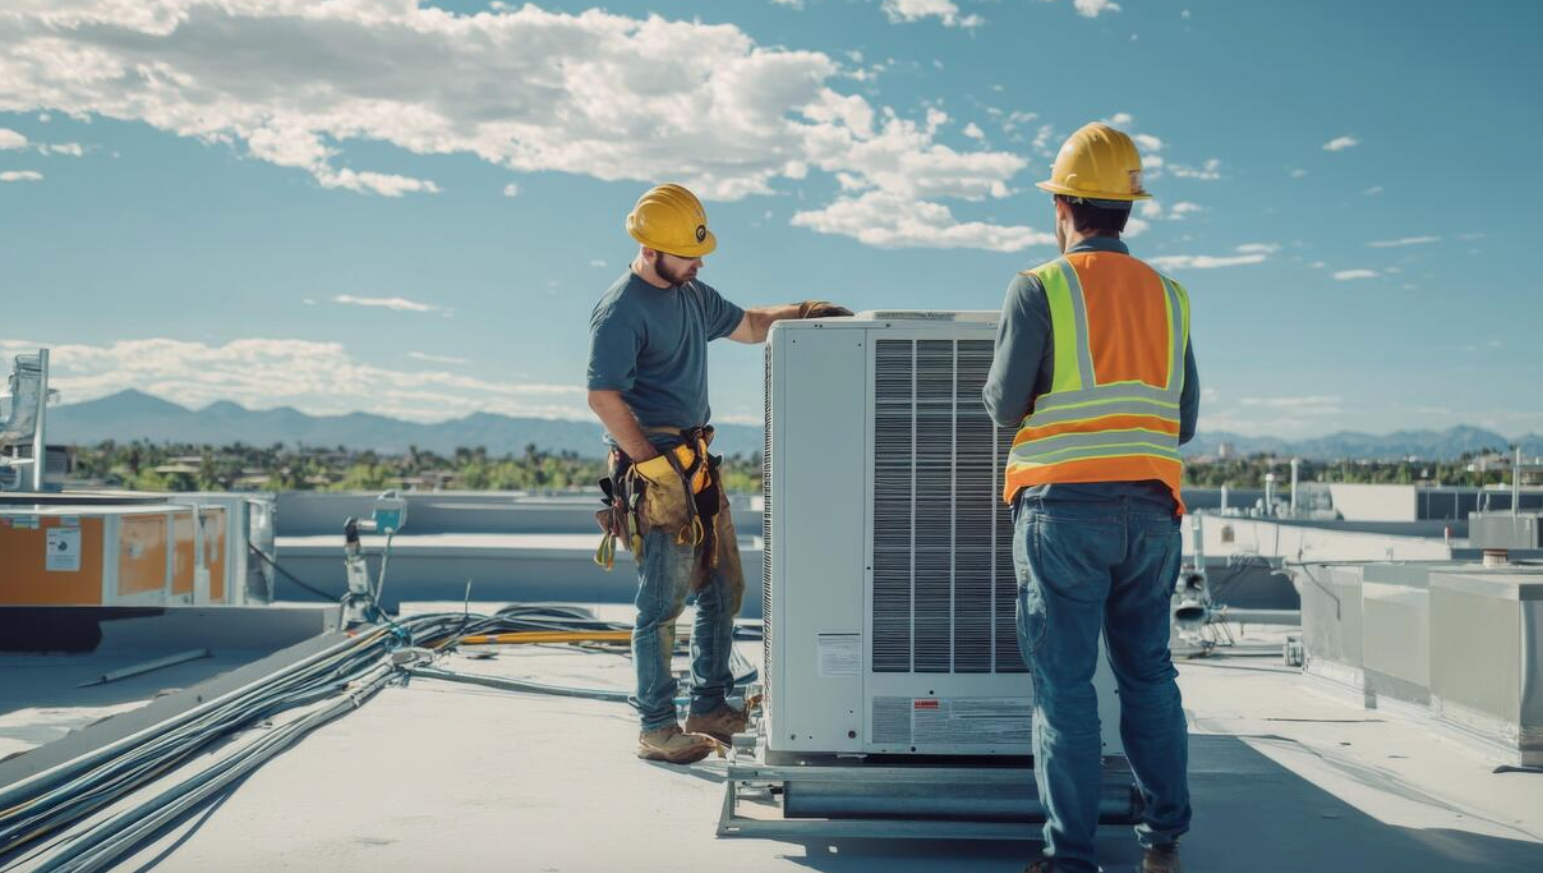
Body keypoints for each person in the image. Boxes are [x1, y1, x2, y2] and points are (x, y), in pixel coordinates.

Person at [983, 123, 1200, 873]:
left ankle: (1070, 856)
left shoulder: (1037, 287)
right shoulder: (1171, 297)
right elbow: (1187, 417)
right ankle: (1162, 838)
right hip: (1150, 512)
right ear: (1126, 208)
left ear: (1064, 206)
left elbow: (1005, 403)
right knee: (1148, 673)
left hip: (1062, 514)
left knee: (1065, 688)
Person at [587, 183, 850, 764]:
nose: (699, 261)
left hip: (695, 467)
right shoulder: (621, 308)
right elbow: (602, 395)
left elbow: (751, 324)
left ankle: (708, 706)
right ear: (651, 251)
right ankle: (656, 727)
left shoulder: (691, 296)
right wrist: (649, 465)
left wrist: (802, 312)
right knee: (661, 605)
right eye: (688, 253)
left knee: (723, 589)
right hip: (656, 473)